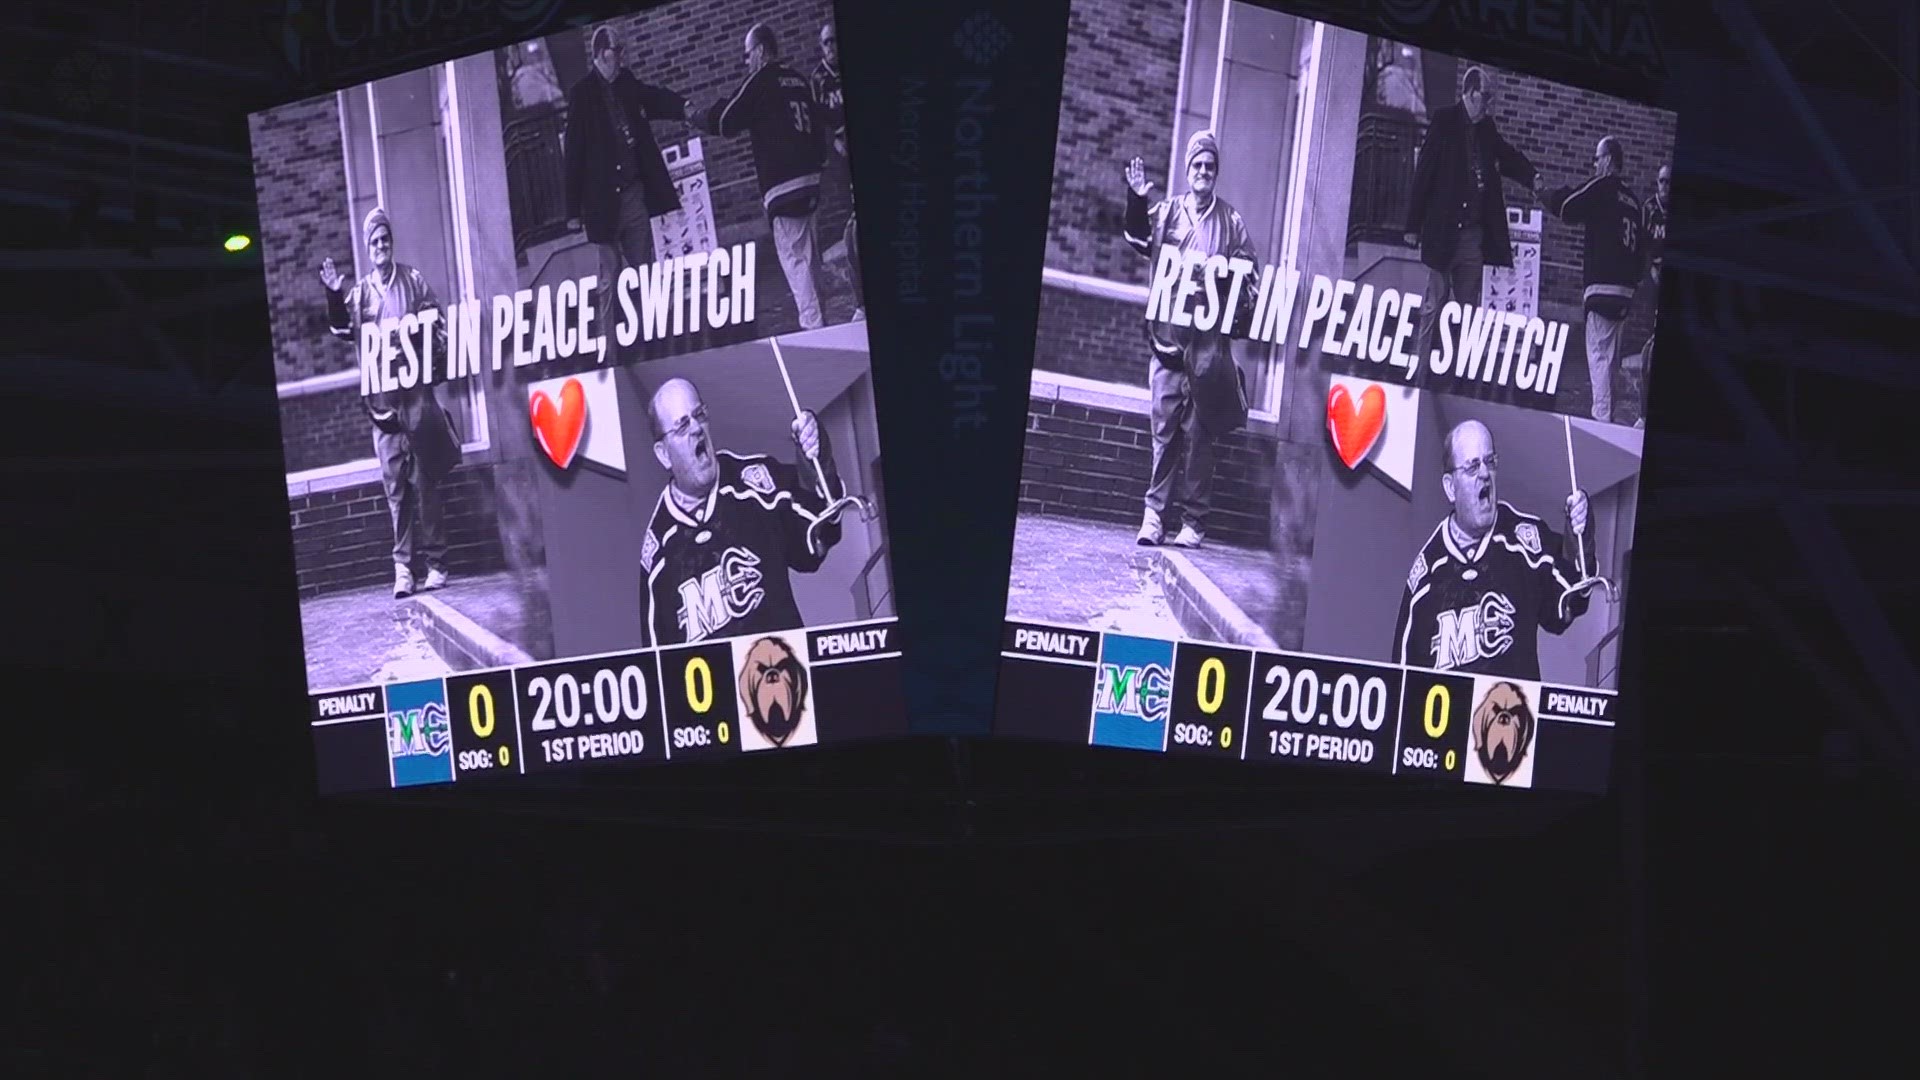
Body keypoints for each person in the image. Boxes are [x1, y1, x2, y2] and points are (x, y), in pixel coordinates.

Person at [1121, 129, 1260, 550]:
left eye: (1210, 165)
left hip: (1206, 353)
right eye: (1197, 165)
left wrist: (1221, 281)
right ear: (1187, 170)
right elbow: (1137, 239)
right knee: (1164, 432)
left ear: (1216, 172)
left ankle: (1194, 522)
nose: (1203, 171)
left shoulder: (1231, 222)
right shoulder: (1166, 213)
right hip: (1166, 346)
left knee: (1200, 437)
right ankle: (1153, 517)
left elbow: (1250, 277)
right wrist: (1136, 200)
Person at [639, 378, 847, 646]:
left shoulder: (754, 485)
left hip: (786, 677)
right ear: (663, 454)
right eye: (681, 425)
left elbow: (818, 537)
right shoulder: (658, 552)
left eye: (699, 415)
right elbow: (658, 664)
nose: (696, 429)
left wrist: (817, 461)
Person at [320, 207, 456, 600]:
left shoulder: (412, 281)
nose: (381, 246)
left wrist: (428, 361)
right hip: (382, 411)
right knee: (396, 490)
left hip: (416, 402)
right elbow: (342, 329)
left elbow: (438, 325)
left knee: (426, 484)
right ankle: (403, 569)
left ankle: (437, 564)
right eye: (374, 241)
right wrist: (332, 293)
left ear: (391, 243)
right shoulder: (360, 293)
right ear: (367, 248)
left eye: (385, 239)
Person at [1393, 420, 1596, 681]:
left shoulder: (1524, 542)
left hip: (1513, 716)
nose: (1484, 474)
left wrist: (1580, 534)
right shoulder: (1426, 576)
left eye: (1490, 462)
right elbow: (1400, 680)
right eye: (1472, 466)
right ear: (1450, 487)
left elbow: (1569, 604)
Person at [1403, 66, 1538, 365]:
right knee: (1434, 303)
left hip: (1473, 236)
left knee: (1467, 310)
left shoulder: (1487, 129)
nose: (1488, 105)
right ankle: (1420, 370)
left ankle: (1458, 371)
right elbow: (1423, 172)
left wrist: (1532, 177)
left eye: (1490, 99)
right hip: (1443, 231)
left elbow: (1507, 155)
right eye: (1485, 97)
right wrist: (1412, 225)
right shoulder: (1444, 121)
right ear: (1470, 91)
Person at [563, 26, 691, 335]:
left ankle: (655, 338)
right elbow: (574, 154)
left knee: (644, 271)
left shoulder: (627, 83)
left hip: (633, 194)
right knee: (610, 277)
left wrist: (683, 107)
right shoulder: (582, 94)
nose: (621, 57)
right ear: (600, 54)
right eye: (615, 52)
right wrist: (572, 212)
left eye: (622, 51)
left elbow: (653, 97)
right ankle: (612, 353)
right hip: (601, 202)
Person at [703, 23, 829, 330]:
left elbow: (727, 120)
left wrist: (699, 116)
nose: (746, 62)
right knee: (811, 255)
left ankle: (814, 327)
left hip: (781, 186)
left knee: (793, 258)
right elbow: (820, 127)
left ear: (760, 50)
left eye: (747, 55)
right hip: (811, 180)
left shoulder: (759, 81)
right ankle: (824, 317)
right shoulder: (798, 79)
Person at [1542, 137, 1647, 424]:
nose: (1594, 164)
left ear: (1609, 160)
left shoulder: (1603, 187)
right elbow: (1643, 249)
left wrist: (1545, 194)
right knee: (1611, 359)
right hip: (1625, 291)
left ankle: (1601, 421)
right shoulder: (1634, 202)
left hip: (1601, 287)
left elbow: (1569, 206)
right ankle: (1608, 413)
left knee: (1598, 357)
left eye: (1597, 158)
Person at [811, 20, 863, 321]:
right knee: (850, 211)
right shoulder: (819, 78)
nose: (831, 48)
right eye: (826, 43)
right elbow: (819, 120)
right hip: (839, 149)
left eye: (834, 41)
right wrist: (832, 148)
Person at [1629, 163, 1669, 430]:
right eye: (1662, 182)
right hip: (1653, 277)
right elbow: (1640, 245)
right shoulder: (1649, 209)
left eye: (1669, 182)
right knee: (1648, 351)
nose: (1665, 187)